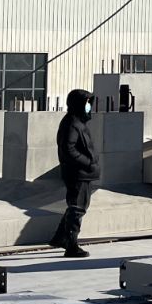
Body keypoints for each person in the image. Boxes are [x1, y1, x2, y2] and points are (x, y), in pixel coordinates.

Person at [52, 88, 99, 257]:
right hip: (78, 173)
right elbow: (68, 149)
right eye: (86, 104)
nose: (89, 107)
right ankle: (71, 245)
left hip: (81, 173)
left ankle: (60, 238)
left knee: (75, 206)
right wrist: (88, 163)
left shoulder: (77, 122)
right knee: (78, 208)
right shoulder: (72, 123)